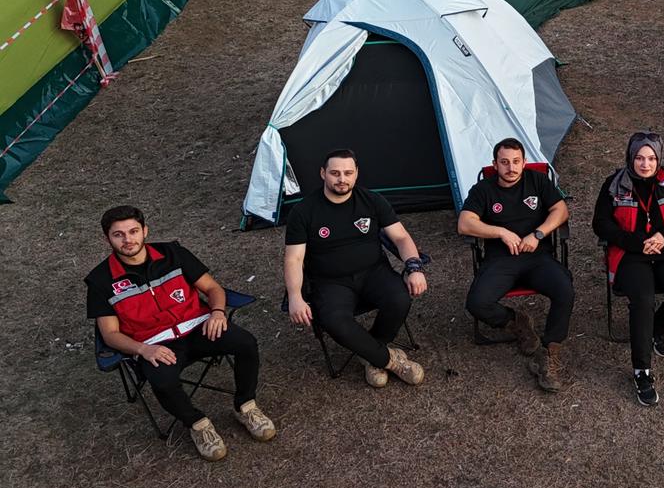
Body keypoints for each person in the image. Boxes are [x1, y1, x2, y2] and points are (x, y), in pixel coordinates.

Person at [86, 206, 276, 461]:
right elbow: (109, 334)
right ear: (107, 239)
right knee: (162, 381)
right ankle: (197, 424)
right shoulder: (100, 280)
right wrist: (143, 349)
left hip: (199, 328)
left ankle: (245, 406)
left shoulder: (173, 254)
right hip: (155, 344)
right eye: (118, 234)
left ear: (145, 231)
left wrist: (218, 312)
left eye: (133, 231)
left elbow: (212, 288)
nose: (128, 240)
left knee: (246, 343)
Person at [283, 149, 427, 388]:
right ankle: (388, 360)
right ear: (323, 174)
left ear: (356, 173)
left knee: (400, 299)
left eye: (348, 173)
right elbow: (294, 260)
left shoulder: (372, 201)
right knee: (334, 321)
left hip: (373, 272)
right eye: (335, 173)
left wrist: (414, 267)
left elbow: (401, 237)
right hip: (330, 281)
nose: (342, 179)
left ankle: (371, 352)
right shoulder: (304, 211)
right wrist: (295, 296)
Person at [594, 132, 664, 406]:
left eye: (651, 158)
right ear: (631, 158)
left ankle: (657, 329)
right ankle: (642, 371)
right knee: (642, 300)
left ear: (659, 159)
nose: (645, 164)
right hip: (631, 254)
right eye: (640, 158)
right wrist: (636, 242)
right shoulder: (613, 185)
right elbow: (601, 224)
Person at [458, 138, 574, 392]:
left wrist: (539, 234)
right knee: (476, 303)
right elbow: (465, 223)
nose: (511, 168)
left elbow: (561, 211)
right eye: (504, 162)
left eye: (516, 162)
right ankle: (517, 322)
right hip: (501, 261)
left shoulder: (537, 181)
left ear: (523, 162)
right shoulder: (483, 190)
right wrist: (500, 231)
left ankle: (549, 352)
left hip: (537, 258)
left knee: (564, 288)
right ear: (494, 164)